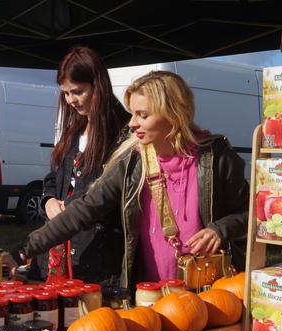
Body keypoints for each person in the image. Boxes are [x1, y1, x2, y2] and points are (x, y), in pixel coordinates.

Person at [19, 71, 249, 290]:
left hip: (209, 290)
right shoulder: (133, 161)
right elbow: (84, 210)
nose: (131, 123)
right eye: (132, 113)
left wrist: (220, 230)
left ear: (173, 114)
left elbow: (253, 216)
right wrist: (24, 250)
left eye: (143, 115)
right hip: (148, 293)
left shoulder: (216, 158)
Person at [31, 46, 130, 285]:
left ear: (99, 85)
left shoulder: (124, 132)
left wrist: (70, 207)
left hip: (98, 257)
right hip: (59, 254)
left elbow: (109, 193)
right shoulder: (74, 129)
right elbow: (55, 177)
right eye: (66, 93)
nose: (71, 100)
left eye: (78, 91)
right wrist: (48, 199)